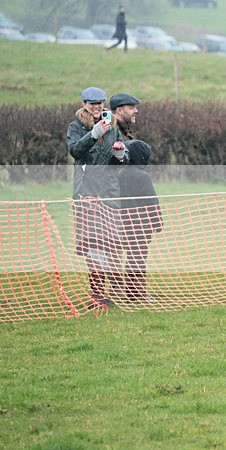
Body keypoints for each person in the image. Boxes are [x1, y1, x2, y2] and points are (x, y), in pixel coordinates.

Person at [67, 86, 129, 309]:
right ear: (84, 104)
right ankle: (97, 294)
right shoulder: (75, 127)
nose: (97, 107)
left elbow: (122, 159)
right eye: (92, 103)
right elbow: (74, 150)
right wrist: (93, 134)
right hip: (87, 196)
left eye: (100, 103)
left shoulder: (113, 126)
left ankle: (115, 288)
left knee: (113, 244)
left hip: (110, 196)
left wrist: (121, 155)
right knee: (93, 246)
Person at [117, 139, 162, 302]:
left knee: (126, 258)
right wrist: (158, 223)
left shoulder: (119, 174)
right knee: (138, 259)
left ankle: (126, 291)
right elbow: (152, 201)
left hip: (121, 224)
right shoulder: (143, 176)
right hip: (141, 226)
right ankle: (138, 292)